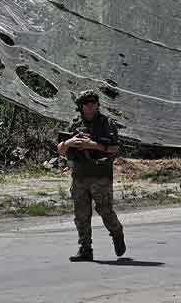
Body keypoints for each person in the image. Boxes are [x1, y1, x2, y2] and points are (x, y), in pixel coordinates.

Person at [57, 89, 126, 262]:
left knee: (105, 211)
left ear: (97, 105)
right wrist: (69, 142)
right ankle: (85, 248)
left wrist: (92, 145)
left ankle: (117, 233)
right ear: (81, 106)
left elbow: (115, 148)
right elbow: (60, 149)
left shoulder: (106, 123)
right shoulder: (75, 124)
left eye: (93, 103)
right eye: (86, 103)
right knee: (81, 215)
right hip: (79, 176)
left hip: (100, 176)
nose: (89, 106)